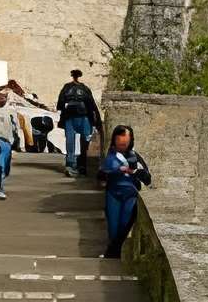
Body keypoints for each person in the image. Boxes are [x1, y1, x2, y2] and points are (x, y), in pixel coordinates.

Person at [97, 123, 151, 260]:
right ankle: (113, 253)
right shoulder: (111, 156)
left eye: (125, 142)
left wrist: (134, 171)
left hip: (130, 196)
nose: (122, 144)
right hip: (113, 194)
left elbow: (147, 178)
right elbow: (101, 176)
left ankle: (113, 253)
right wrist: (112, 171)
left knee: (124, 225)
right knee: (113, 227)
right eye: (119, 141)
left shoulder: (135, 157)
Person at [56, 69, 103, 177]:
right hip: (84, 117)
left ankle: (71, 164)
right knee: (84, 142)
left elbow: (60, 104)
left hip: (70, 117)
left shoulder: (66, 88)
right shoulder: (85, 89)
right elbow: (91, 105)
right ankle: (82, 165)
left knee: (70, 142)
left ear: (72, 76)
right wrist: (97, 121)